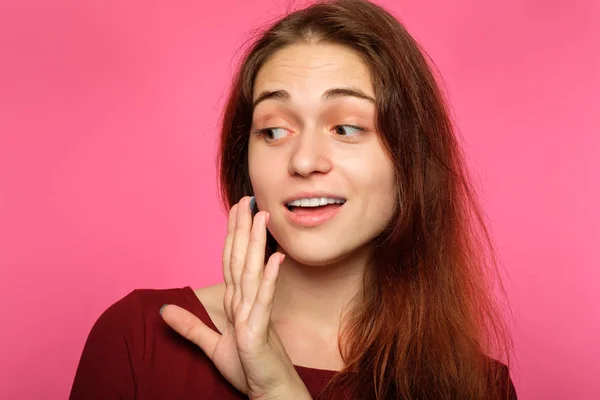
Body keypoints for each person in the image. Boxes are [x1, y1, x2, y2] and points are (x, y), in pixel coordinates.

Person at [69, 0, 517, 399]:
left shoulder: (478, 387)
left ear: (411, 159)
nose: (303, 161)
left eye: (345, 128)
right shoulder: (140, 337)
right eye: (274, 131)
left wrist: (280, 391)